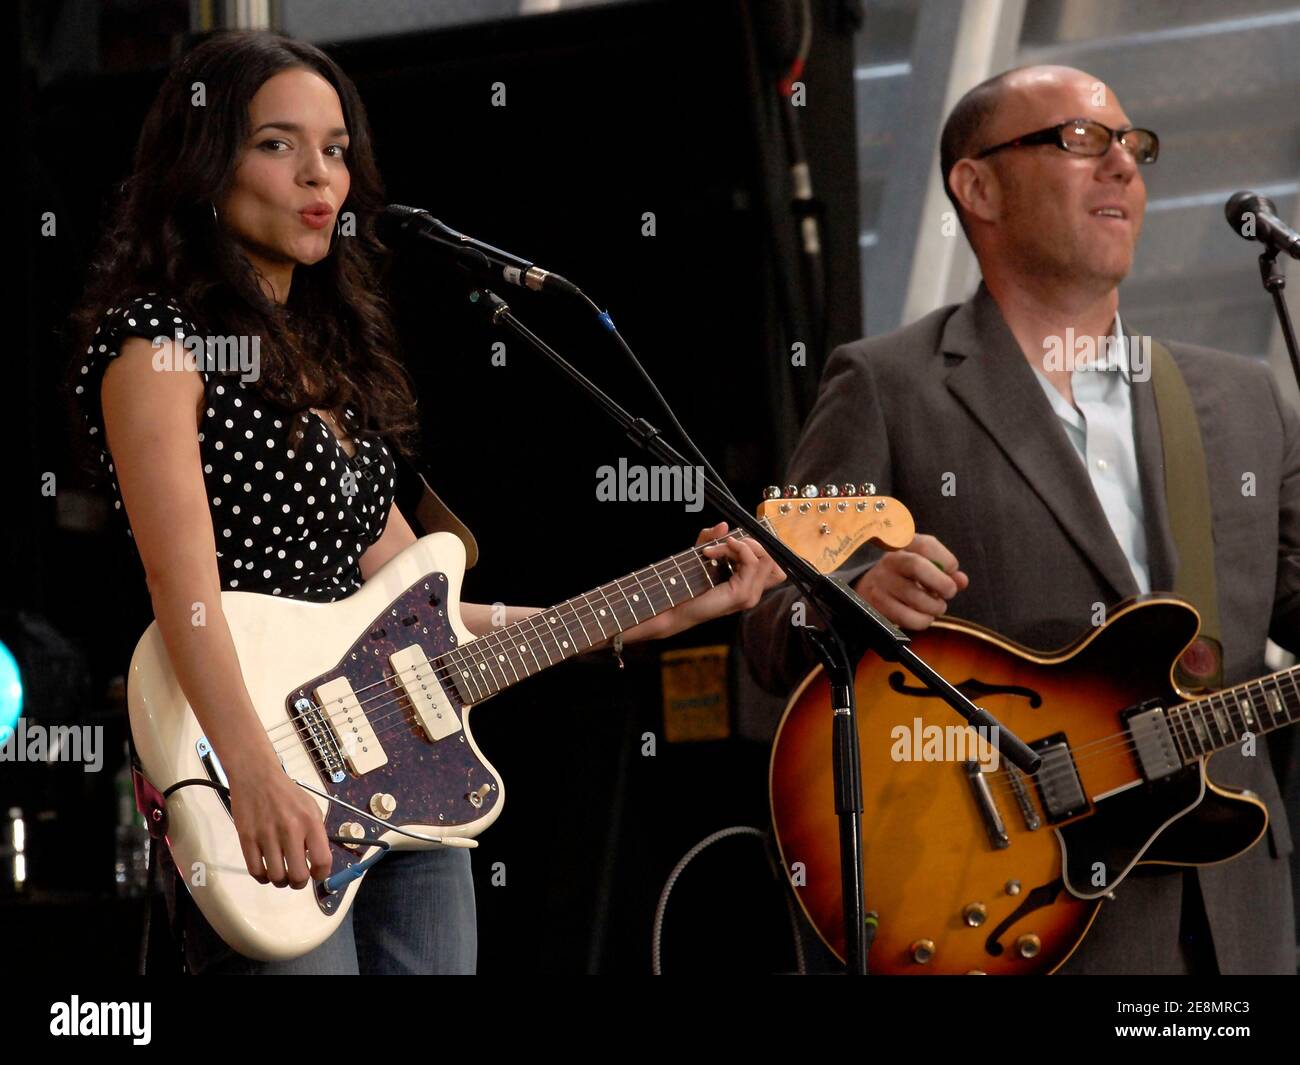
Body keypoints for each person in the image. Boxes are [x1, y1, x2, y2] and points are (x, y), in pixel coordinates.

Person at [69, 30, 783, 975]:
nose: (319, 175)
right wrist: (255, 772)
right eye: (277, 144)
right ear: (203, 163)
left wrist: (652, 610)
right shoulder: (157, 343)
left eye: (334, 148)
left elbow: (428, 611)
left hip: (407, 773)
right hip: (259, 764)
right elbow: (180, 584)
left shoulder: (336, 361)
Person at [741, 64, 1296, 975]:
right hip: (1011, 917)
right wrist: (849, 601)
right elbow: (766, 632)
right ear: (978, 186)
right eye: (1081, 140)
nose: (1122, 165)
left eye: (1133, 143)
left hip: (1233, 922)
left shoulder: (1241, 399)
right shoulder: (887, 386)